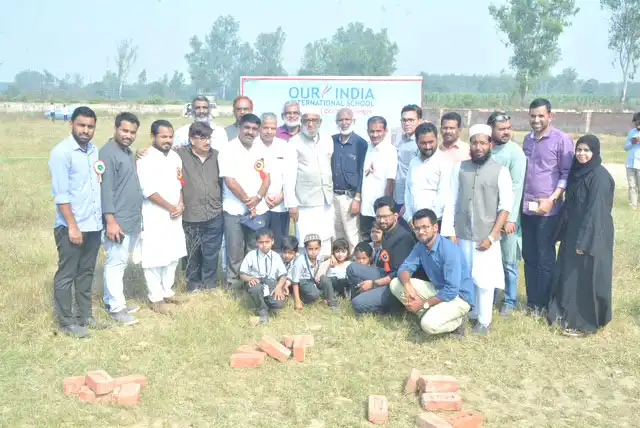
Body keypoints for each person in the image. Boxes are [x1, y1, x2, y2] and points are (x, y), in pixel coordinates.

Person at [441, 124, 513, 335]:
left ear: (490, 144)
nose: (479, 147)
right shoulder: (460, 168)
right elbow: (451, 201)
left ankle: (484, 321)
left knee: (485, 280)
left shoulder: (501, 171)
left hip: (485, 236)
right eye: (475, 142)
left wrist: (492, 236)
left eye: (483, 142)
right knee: (465, 277)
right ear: (470, 145)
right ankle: (469, 314)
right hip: (462, 235)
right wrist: (450, 232)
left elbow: (505, 207)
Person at [548, 135, 614, 337]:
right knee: (569, 275)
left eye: (587, 150)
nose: (582, 154)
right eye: (579, 150)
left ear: (595, 152)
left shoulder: (599, 177)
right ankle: (564, 314)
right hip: (574, 232)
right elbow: (570, 206)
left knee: (587, 278)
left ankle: (586, 324)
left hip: (593, 235)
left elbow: (596, 212)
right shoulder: (578, 173)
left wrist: (584, 242)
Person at [49, 106, 106, 338]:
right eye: (81, 125)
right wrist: (72, 226)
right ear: (71, 123)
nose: (85, 130)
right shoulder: (62, 152)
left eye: (90, 126)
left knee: (86, 273)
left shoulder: (93, 151)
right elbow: (61, 195)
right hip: (71, 226)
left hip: (93, 225)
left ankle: (85, 317)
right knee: (67, 274)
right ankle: (67, 322)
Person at [521, 98, 575, 315]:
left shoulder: (561, 140)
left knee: (545, 257)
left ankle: (545, 303)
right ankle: (532, 301)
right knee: (529, 256)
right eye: (533, 115)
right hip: (526, 208)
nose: (536, 119)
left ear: (550, 116)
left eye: (541, 115)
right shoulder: (527, 140)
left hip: (548, 210)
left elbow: (566, 174)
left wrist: (552, 198)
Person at [390, 209, 475, 336]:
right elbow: (404, 268)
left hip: (458, 297)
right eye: (417, 228)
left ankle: (457, 322)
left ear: (435, 227)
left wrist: (424, 304)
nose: (421, 232)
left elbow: (451, 290)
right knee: (395, 284)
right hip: (438, 289)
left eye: (425, 227)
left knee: (427, 325)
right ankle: (431, 312)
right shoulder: (421, 246)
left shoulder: (449, 250)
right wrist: (408, 286)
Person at [137, 120, 189, 314]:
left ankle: (168, 291)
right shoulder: (145, 159)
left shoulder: (175, 157)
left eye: (170, 136)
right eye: (163, 136)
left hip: (175, 213)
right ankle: (155, 297)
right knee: (154, 255)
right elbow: (148, 190)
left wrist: (181, 204)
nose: (167, 140)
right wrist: (169, 207)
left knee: (173, 253)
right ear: (153, 136)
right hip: (154, 214)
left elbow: (180, 183)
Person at [99, 112, 143, 325]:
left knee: (121, 262)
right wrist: (111, 221)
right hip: (118, 221)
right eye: (124, 130)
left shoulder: (126, 152)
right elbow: (106, 190)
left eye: (132, 132)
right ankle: (116, 310)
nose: (128, 135)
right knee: (115, 263)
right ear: (115, 129)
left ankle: (114, 301)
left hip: (131, 218)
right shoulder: (107, 153)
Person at [219, 113, 271, 289]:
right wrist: (250, 203)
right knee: (235, 250)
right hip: (234, 209)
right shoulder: (228, 149)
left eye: (254, 129)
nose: (250, 132)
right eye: (247, 128)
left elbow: (266, 179)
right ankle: (234, 286)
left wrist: (257, 199)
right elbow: (230, 181)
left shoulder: (262, 149)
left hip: (257, 208)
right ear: (240, 128)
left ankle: (252, 285)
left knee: (253, 248)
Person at [176, 122, 223, 293]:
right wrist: (141, 152)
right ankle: (193, 284)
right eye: (202, 137)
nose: (207, 141)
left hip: (214, 212)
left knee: (211, 251)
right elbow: (158, 153)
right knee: (192, 251)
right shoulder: (179, 155)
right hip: (190, 214)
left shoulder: (217, 156)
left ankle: (209, 284)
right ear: (191, 139)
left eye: (208, 137)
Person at [487, 112, 527, 316]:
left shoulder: (515, 153)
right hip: (487, 215)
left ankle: (510, 301)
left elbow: (517, 186)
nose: (506, 132)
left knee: (509, 261)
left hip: (507, 217)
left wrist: (510, 218)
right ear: (490, 130)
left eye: (508, 128)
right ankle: (491, 296)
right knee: (490, 258)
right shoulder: (485, 148)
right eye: (501, 129)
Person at [347, 196, 416, 314]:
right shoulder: (386, 232)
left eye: (385, 216)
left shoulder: (403, 238)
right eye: (379, 216)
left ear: (395, 216)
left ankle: (393, 308)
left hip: (398, 284)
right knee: (352, 268)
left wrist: (373, 284)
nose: (382, 220)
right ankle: (369, 295)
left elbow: (398, 274)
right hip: (385, 274)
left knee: (357, 304)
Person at [285, 109, 335, 257]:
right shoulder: (294, 142)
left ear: (320, 122)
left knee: (325, 237)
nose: (311, 123)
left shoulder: (327, 139)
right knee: (305, 240)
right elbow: (288, 175)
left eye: (315, 120)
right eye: (307, 120)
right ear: (302, 122)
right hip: (304, 201)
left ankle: (324, 273)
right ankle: (305, 275)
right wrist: (291, 203)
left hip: (325, 199)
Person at [403, 122, 453, 229]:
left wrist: (428, 221)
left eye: (431, 142)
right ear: (416, 142)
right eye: (423, 143)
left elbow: (443, 195)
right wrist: (409, 216)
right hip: (413, 223)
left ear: (437, 139)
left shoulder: (445, 162)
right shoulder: (414, 163)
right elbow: (408, 191)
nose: (428, 146)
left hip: (434, 223)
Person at [332, 108, 368, 251]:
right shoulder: (332, 141)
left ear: (353, 121)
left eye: (347, 119)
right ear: (336, 122)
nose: (344, 123)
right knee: (336, 234)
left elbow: (362, 172)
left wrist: (357, 198)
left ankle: (354, 267)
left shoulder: (360, 143)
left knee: (352, 235)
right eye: (341, 120)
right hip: (333, 196)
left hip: (350, 197)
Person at [240, 227, 288, 324]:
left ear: (272, 241)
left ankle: (266, 303)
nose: (264, 245)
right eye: (261, 242)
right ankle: (262, 311)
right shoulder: (251, 255)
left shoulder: (276, 256)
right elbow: (242, 274)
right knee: (255, 288)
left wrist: (279, 287)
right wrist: (250, 278)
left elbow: (283, 275)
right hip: (256, 282)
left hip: (271, 284)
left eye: (267, 242)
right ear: (257, 243)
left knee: (280, 304)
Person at [360, 116, 398, 242]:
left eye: (378, 131)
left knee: (380, 243)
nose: (375, 135)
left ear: (385, 131)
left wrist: (385, 209)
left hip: (379, 211)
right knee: (367, 244)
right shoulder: (367, 147)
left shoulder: (390, 151)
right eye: (372, 131)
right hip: (365, 208)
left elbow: (390, 181)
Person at [259, 112, 291, 250]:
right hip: (260, 203)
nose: (269, 131)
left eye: (273, 128)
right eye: (266, 127)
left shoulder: (284, 146)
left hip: (280, 203)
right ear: (260, 127)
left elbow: (290, 175)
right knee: (260, 243)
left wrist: (282, 196)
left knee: (278, 243)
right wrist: (262, 196)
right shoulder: (253, 145)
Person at [289, 234, 339, 312]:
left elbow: (326, 257)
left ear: (320, 248)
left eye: (316, 249)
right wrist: (297, 301)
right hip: (303, 282)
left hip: (314, 280)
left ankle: (331, 302)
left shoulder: (318, 256)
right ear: (305, 248)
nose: (314, 252)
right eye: (310, 249)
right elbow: (295, 282)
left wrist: (332, 257)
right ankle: (305, 299)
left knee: (326, 279)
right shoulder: (300, 261)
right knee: (314, 294)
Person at [394, 104, 422, 211]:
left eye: (411, 120)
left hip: (410, 200)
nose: (407, 123)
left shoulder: (420, 144)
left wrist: (408, 202)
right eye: (404, 120)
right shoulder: (400, 140)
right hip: (397, 196)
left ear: (419, 121)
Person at [624, 112, 640, 209]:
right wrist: (632, 142)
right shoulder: (632, 132)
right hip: (630, 164)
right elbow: (625, 148)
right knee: (632, 186)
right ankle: (633, 205)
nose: (638, 125)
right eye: (636, 123)